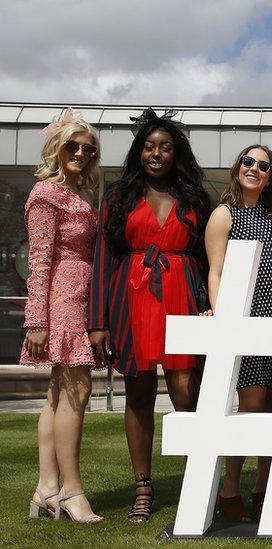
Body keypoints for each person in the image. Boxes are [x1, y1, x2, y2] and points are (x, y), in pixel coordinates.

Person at [89, 108, 211, 523]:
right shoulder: (119, 196)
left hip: (182, 296)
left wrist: (209, 303)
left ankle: (200, 477)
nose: (157, 154)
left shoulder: (195, 197)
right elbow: (104, 257)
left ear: (177, 154)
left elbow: (207, 257)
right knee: (138, 392)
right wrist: (98, 321)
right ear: (139, 152)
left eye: (166, 147)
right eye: (149, 147)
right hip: (133, 297)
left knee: (184, 389)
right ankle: (143, 486)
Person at [22, 110, 103, 524]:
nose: (81, 153)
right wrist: (36, 320)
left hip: (82, 296)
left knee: (58, 394)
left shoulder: (81, 197)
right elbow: (39, 260)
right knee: (77, 391)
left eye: (88, 149)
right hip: (60, 301)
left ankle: (46, 487)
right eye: (73, 145)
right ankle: (72, 492)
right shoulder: (45, 193)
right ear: (57, 147)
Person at [203, 145, 272, 522]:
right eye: (248, 162)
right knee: (251, 408)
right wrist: (224, 317)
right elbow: (216, 270)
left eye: (263, 165)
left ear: (271, 175)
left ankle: (264, 487)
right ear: (238, 167)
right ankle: (231, 487)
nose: (255, 169)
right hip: (246, 320)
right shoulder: (224, 215)